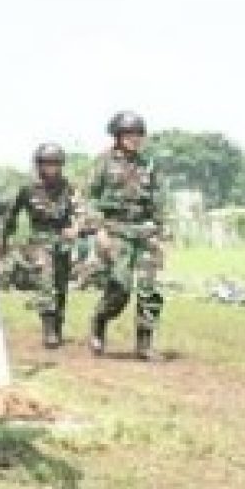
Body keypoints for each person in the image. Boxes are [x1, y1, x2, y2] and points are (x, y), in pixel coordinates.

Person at [83, 111, 165, 360]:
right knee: (121, 288)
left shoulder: (148, 165)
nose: (134, 139)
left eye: (138, 135)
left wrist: (161, 234)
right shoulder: (103, 163)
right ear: (117, 137)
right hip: (115, 231)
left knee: (149, 290)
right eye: (128, 134)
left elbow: (157, 202)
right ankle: (99, 320)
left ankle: (144, 344)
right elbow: (89, 198)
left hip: (144, 232)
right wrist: (99, 230)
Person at [0, 143, 83, 349]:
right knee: (46, 283)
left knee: (60, 285)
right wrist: (4, 240)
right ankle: (49, 331)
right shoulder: (27, 188)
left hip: (62, 241)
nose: (51, 169)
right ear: (39, 165)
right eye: (47, 164)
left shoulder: (68, 187)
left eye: (55, 164)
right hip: (39, 241)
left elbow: (80, 211)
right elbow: (11, 214)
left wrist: (76, 227)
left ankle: (58, 326)